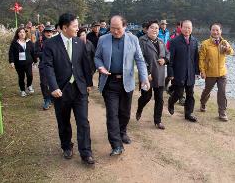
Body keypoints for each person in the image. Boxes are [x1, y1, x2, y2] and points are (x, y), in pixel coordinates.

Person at [42, 13, 95, 165]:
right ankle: (66, 146)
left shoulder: (79, 42)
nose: (78, 28)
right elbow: (48, 66)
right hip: (61, 90)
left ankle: (86, 152)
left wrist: (89, 83)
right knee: (63, 121)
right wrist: (53, 87)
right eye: (75, 26)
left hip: (79, 88)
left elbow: (85, 64)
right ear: (64, 27)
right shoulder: (50, 44)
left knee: (83, 121)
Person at [95, 15, 150, 156]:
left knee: (124, 113)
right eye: (112, 28)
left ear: (125, 27)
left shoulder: (133, 39)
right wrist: (100, 67)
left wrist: (144, 78)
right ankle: (116, 145)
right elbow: (97, 57)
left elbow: (139, 59)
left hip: (127, 82)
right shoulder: (103, 39)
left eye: (118, 28)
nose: (114, 31)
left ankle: (122, 132)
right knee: (112, 114)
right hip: (110, 82)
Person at [136, 20, 169, 130]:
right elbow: (140, 58)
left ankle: (157, 121)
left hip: (159, 74)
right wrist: (147, 73)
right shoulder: (142, 40)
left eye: (156, 28)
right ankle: (140, 107)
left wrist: (165, 60)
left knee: (159, 98)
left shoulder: (160, 41)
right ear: (147, 29)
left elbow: (167, 53)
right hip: (148, 75)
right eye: (152, 27)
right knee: (146, 96)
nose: (154, 30)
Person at [199, 23, 234, 121]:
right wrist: (202, 71)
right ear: (210, 31)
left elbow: (231, 52)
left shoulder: (224, 42)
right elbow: (201, 59)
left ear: (221, 31)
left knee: (222, 92)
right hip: (210, 73)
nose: (215, 32)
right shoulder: (205, 44)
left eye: (217, 30)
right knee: (207, 91)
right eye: (213, 30)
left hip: (222, 73)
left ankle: (222, 113)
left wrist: (228, 49)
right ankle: (203, 102)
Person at [167, 20, 199, 122]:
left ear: (192, 29)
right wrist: (170, 73)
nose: (187, 30)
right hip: (178, 73)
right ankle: (171, 102)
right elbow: (170, 59)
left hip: (190, 73)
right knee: (178, 93)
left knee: (190, 94)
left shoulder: (194, 41)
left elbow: (196, 58)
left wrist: (197, 71)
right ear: (180, 27)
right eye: (185, 27)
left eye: (189, 28)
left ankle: (188, 114)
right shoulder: (174, 41)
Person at [9, 27, 37, 97]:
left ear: (25, 33)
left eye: (23, 32)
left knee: (30, 75)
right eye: (20, 32)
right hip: (19, 64)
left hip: (28, 63)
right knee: (21, 77)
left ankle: (29, 85)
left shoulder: (29, 42)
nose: (22, 33)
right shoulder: (14, 43)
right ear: (17, 34)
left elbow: (33, 52)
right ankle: (22, 90)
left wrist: (35, 60)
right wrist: (12, 62)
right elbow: (11, 53)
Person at [35, 25, 54, 109]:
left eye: (50, 32)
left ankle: (53, 98)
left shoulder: (56, 41)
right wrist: (47, 54)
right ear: (44, 32)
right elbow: (36, 53)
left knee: (54, 82)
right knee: (44, 83)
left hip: (55, 65)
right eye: (47, 32)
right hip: (43, 65)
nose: (49, 33)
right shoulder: (39, 41)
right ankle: (46, 99)